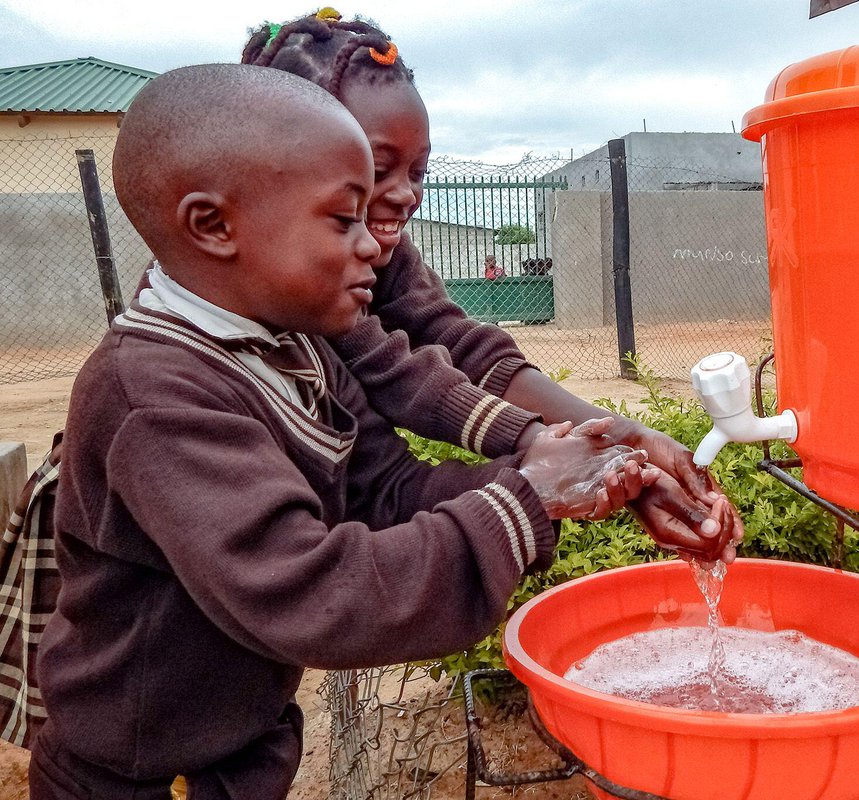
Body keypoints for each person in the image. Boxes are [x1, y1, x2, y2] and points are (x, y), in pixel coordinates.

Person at [30, 64, 655, 800]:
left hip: (238, 750)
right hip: (139, 777)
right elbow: (311, 590)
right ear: (214, 224)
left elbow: (379, 490)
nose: (372, 246)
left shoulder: (285, 345)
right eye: (342, 218)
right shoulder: (156, 393)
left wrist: (556, 475)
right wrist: (524, 500)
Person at [242, 9, 743, 562]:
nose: (405, 194)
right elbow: (401, 376)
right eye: (375, 168)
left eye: (418, 170)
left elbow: (458, 349)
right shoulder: (219, 343)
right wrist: (558, 454)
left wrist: (620, 451)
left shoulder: (377, 259)